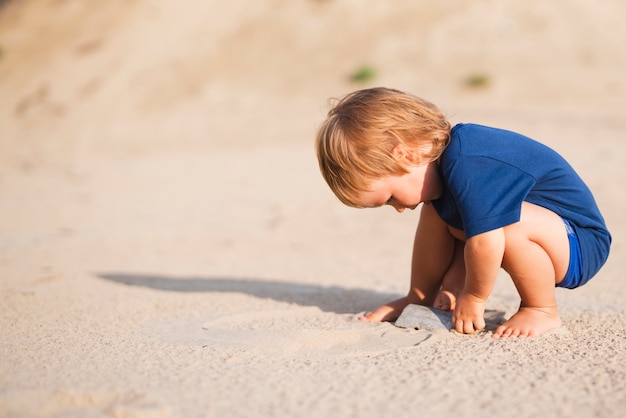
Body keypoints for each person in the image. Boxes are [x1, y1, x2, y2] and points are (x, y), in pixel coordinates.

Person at [315, 87, 611, 338]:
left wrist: (474, 296)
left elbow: (486, 241)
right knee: (436, 209)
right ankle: (419, 296)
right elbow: (465, 227)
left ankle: (541, 308)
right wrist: (453, 288)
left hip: (579, 242)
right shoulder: (445, 174)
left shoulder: (468, 161)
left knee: (505, 223)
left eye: (392, 197)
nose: (401, 209)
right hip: (544, 233)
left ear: (405, 154)